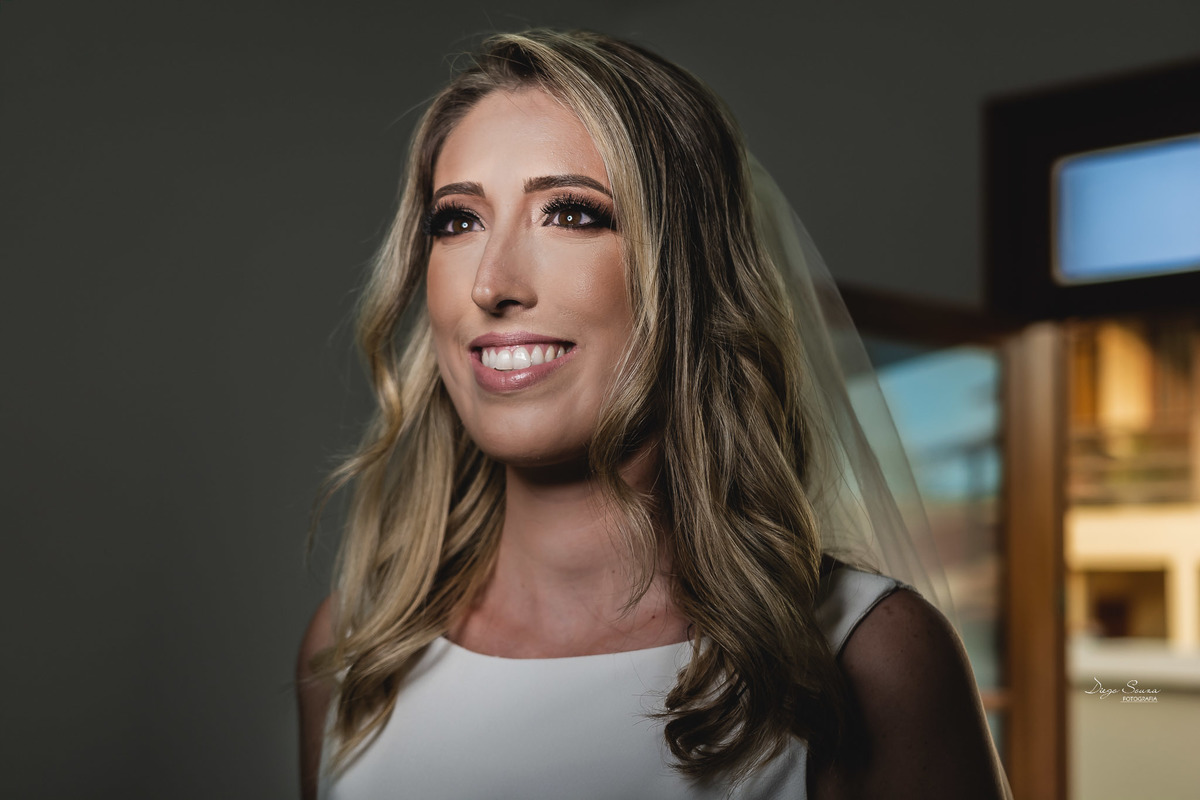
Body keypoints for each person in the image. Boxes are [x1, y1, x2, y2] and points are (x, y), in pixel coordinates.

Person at [297, 29, 1009, 800]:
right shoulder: (352, 652)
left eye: (571, 213)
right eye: (457, 221)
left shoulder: (869, 663)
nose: (491, 284)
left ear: (688, 271)